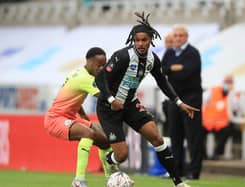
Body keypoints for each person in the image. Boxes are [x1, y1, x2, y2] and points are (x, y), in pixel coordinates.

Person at [95, 12, 199, 187]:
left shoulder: (153, 59)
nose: (140, 44)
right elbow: (100, 79)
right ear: (133, 41)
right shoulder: (123, 56)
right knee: (122, 156)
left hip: (130, 104)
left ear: (151, 40)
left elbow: (163, 82)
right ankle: (110, 159)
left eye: (144, 40)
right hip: (109, 108)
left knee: (157, 138)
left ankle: (178, 182)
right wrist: (112, 99)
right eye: (137, 40)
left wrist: (179, 102)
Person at [44, 47, 112, 187]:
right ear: (90, 62)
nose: (101, 68)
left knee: (105, 141)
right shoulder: (85, 78)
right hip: (55, 119)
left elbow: (74, 98)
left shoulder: (78, 73)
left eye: (104, 65)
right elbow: (105, 97)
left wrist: (83, 116)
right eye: (99, 65)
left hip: (69, 116)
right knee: (88, 133)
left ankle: (110, 179)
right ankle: (79, 181)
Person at [161, 24, 204, 180]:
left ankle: (194, 171)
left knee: (193, 136)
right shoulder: (170, 52)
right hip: (175, 99)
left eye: (180, 35)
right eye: (175, 36)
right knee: (175, 136)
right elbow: (162, 70)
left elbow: (186, 73)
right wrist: (174, 68)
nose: (177, 38)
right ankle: (177, 170)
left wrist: (171, 70)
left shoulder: (192, 53)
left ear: (186, 37)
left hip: (191, 99)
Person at [203, 75, 235, 160]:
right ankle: (203, 155)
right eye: (227, 82)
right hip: (207, 123)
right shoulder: (212, 91)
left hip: (222, 125)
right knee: (197, 133)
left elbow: (236, 109)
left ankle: (216, 153)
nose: (228, 84)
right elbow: (202, 103)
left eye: (230, 82)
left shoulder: (233, 94)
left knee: (229, 129)